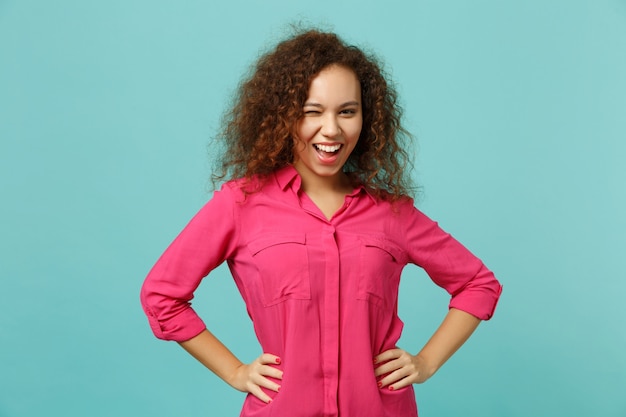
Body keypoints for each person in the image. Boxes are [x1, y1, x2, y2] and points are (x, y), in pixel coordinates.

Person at [140, 28, 502, 417]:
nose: (331, 129)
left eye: (347, 111)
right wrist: (235, 372)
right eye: (312, 111)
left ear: (367, 117)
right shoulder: (240, 204)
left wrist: (426, 362)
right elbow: (162, 296)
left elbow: (477, 284)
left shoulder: (392, 213)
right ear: (282, 116)